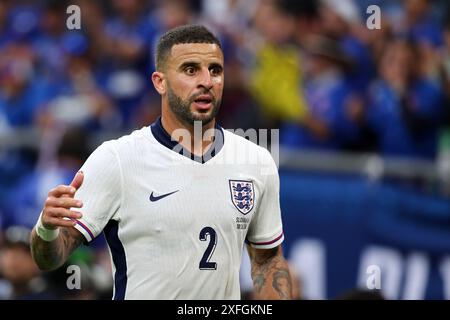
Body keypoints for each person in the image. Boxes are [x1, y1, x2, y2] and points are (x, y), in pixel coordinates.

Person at [30, 25, 292, 300]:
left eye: (215, 70)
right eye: (191, 70)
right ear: (160, 82)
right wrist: (47, 228)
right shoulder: (118, 159)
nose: (206, 81)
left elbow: (267, 260)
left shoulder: (255, 161)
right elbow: (49, 259)